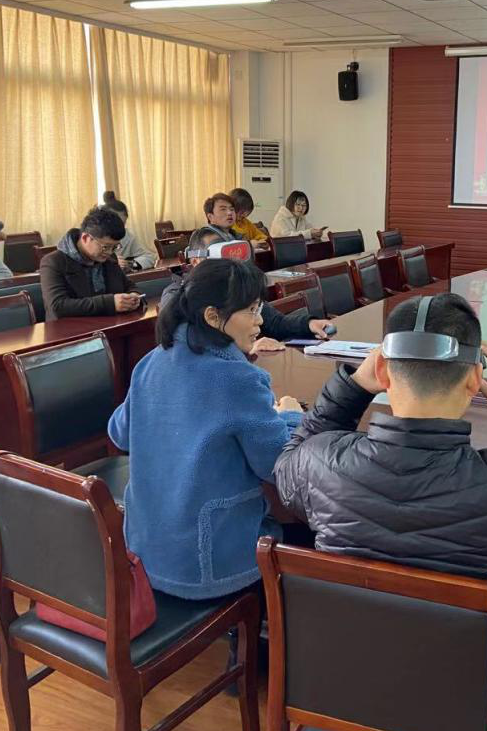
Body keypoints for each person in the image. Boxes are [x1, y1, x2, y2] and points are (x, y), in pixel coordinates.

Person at [274, 293, 487, 731]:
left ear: (382, 372)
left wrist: (352, 388)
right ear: (475, 379)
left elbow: (287, 462)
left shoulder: (320, 463)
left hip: (347, 685)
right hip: (480, 708)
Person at [108, 258, 303, 598]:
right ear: (213, 316)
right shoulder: (237, 379)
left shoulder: (151, 362)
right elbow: (276, 465)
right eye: (251, 310)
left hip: (146, 552)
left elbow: (119, 433)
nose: (259, 321)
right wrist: (289, 416)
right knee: (310, 537)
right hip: (207, 562)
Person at [183, 226, 333, 343]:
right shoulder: (182, 300)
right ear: (195, 261)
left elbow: (275, 322)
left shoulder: (238, 287)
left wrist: (309, 324)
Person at [40, 206, 142, 321]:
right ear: (85, 238)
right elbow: (57, 306)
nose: (109, 252)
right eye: (105, 247)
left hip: (109, 324)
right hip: (70, 328)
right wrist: (110, 303)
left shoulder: (109, 258)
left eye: (115, 247)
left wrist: (134, 295)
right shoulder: (53, 262)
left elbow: (128, 285)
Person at [100, 190, 156, 272]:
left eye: (123, 224)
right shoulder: (94, 238)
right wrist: (111, 262)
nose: (120, 229)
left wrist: (129, 264)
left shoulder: (127, 236)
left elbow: (149, 257)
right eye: (117, 224)